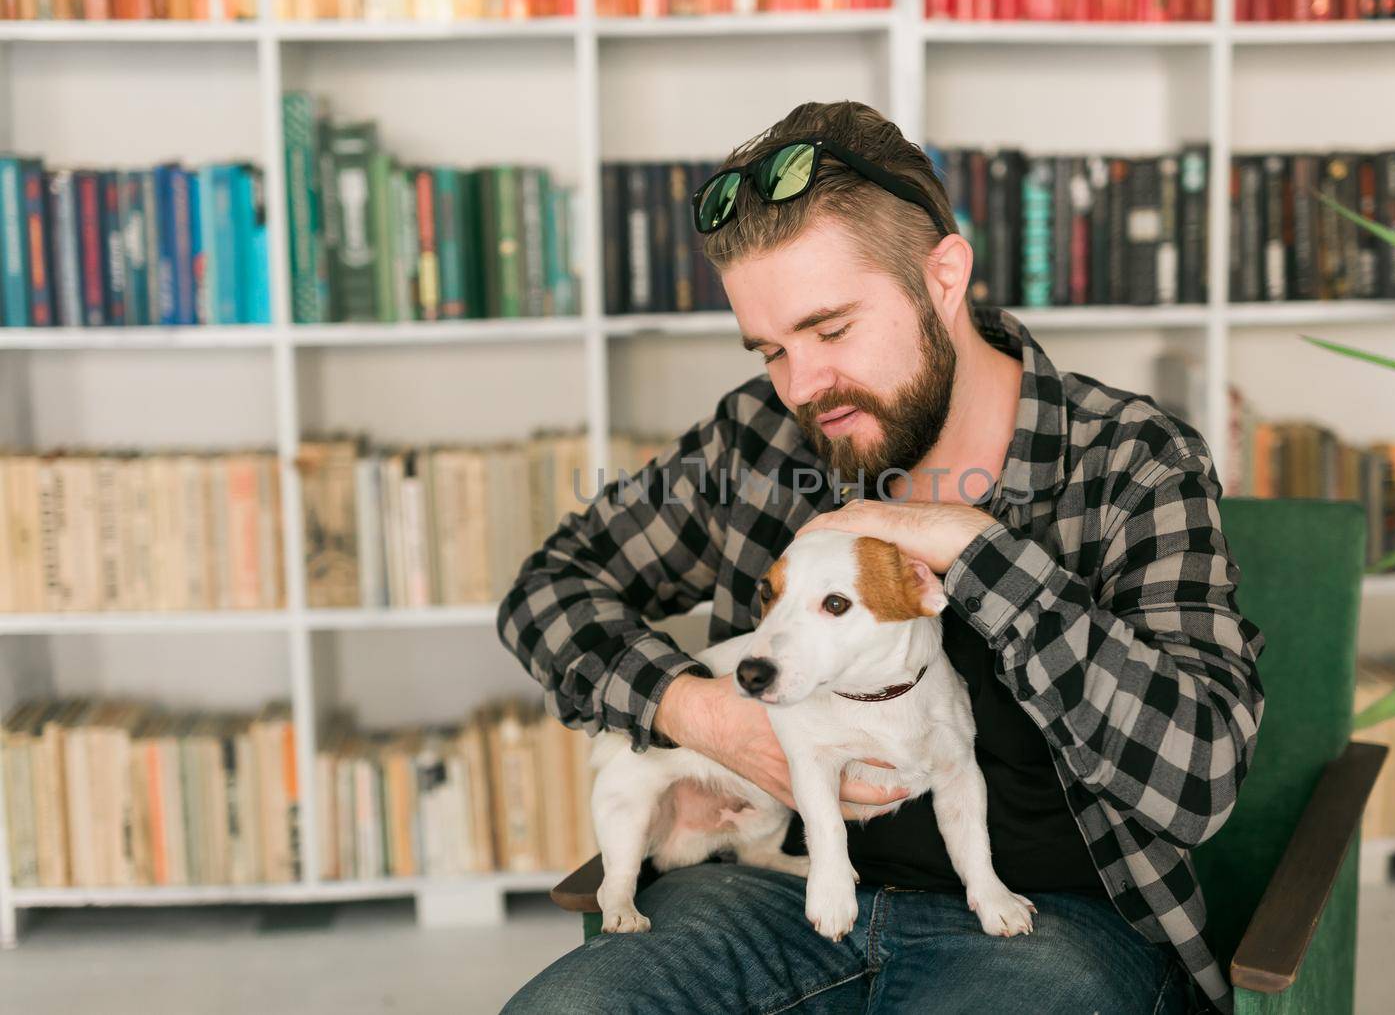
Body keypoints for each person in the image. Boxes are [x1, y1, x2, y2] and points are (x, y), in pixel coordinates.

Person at [494, 99, 1266, 1015]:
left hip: (1053, 930)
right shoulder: (760, 440)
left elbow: (1200, 775)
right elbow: (546, 591)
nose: (802, 386)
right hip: (767, 891)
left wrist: (978, 552)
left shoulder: (1132, 460)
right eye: (772, 348)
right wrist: (701, 713)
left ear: (944, 277)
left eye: (831, 329)